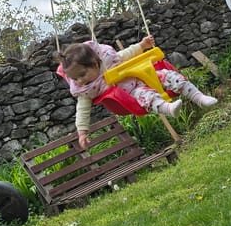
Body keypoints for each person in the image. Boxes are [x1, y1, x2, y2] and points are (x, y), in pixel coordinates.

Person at [59, 35, 217, 150]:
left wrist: (142, 45)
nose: (79, 81)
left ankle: (199, 98)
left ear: (94, 63)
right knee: (147, 96)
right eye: (74, 79)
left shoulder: (109, 59)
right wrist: (82, 132)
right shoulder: (85, 90)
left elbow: (128, 53)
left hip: (146, 76)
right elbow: (82, 110)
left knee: (171, 76)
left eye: (81, 75)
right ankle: (168, 109)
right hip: (133, 92)